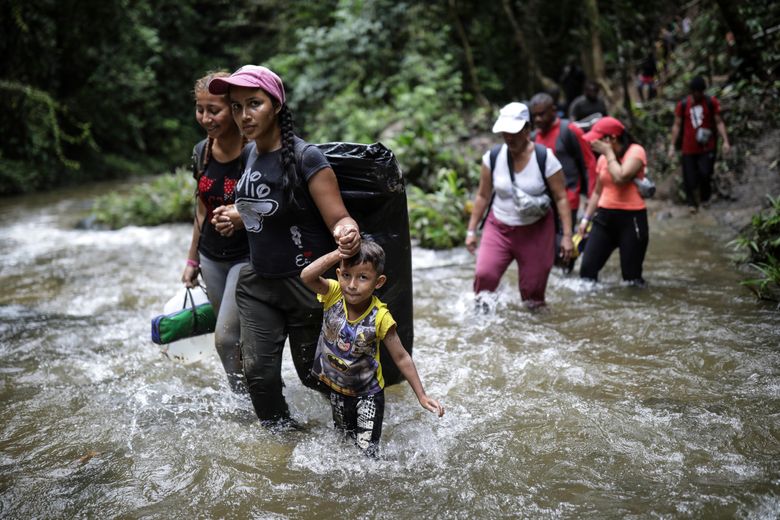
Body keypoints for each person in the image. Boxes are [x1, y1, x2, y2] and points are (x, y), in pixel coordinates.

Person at [207, 65, 361, 428]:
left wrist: (347, 231)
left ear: (276, 105)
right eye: (237, 106)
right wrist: (238, 216)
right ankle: (285, 455)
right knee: (258, 376)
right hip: (259, 282)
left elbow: (339, 216)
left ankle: (353, 433)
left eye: (254, 104)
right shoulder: (248, 155)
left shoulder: (308, 159)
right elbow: (264, 207)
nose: (244, 115)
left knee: (313, 377)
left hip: (305, 285)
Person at [301, 240, 444, 456]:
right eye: (346, 275)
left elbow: (402, 357)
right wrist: (338, 253)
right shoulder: (333, 294)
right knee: (343, 445)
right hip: (337, 390)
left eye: (363, 278)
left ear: (379, 282)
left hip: (367, 396)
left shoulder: (381, 317)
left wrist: (422, 396)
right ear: (338, 274)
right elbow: (306, 276)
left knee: (367, 455)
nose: (352, 285)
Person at [465, 102, 574, 309]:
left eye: (514, 131)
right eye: (505, 132)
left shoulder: (545, 158)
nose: (509, 137)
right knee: (484, 276)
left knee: (533, 294)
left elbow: (561, 197)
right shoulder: (493, 158)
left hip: (537, 231)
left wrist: (567, 237)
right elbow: (482, 196)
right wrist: (471, 230)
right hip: (499, 227)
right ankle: (481, 323)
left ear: (527, 130)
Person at [181, 71, 248, 393]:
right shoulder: (201, 151)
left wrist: (242, 216)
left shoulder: (255, 152)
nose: (206, 118)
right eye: (200, 109)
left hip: (248, 257)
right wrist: (192, 260)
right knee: (233, 337)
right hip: (211, 257)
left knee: (225, 337)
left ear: (235, 109)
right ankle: (244, 395)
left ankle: (249, 399)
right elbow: (202, 209)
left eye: (215, 110)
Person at [578, 117, 649, 286]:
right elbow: (597, 192)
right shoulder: (603, 160)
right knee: (587, 271)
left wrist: (609, 153)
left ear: (612, 139)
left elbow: (621, 177)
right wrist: (585, 219)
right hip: (604, 219)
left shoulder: (636, 152)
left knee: (631, 278)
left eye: (599, 139)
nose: (594, 142)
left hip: (632, 220)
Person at [530, 92, 597, 251]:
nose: (538, 119)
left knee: (563, 244)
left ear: (553, 110)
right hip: (542, 200)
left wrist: (591, 196)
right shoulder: (533, 137)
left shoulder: (569, 130)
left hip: (568, 197)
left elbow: (589, 163)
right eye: (535, 116)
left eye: (542, 114)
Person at [667, 76, 731, 213]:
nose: (697, 95)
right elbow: (677, 125)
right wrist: (672, 145)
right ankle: (692, 204)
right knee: (689, 177)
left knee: (705, 173)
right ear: (691, 91)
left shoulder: (710, 102)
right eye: (695, 92)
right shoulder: (683, 105)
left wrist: (725, 141)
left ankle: (705, 199)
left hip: (707, 147)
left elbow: (719, 121)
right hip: (688, 148)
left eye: (700, 92)